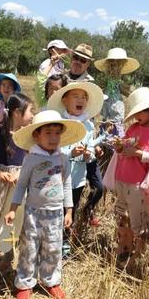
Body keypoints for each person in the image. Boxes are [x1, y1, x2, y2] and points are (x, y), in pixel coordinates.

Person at [6, 110, 86, 299]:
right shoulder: (31, 158)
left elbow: (67, 184)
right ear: (36, 135)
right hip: (33, 213)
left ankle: (51, 281)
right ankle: (25, 284)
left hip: (56, 213)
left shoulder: (63, 158)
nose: (53, 137)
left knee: (53, 248)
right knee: (29, 248)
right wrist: (13, 208)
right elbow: (22, 185)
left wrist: (69, 210)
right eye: (48, 133)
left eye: (57, 133)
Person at [104, 87, 149, 263]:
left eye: (141, 112)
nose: (137, 116)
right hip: (123, 179)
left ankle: (138, 256)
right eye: (136, 112)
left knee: (139, 222)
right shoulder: (132, 128)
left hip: (139, 184)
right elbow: (124, 147)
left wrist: (138, 153)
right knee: (122, 217)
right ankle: (124, 248)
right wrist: (119, 147)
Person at [0, 93, 34, 277]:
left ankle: (17, 262)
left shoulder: (27, 134)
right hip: (0, 182)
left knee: (17, 220)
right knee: (1, 218)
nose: (33, 115)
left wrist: (19, 173)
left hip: (19, 183)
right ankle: (7, 258)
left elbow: (30, 157)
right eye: (30, 111)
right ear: (17, 113)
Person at [47, 81, 104, 255]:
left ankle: (64, 242)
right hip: (58, 177)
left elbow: (91, 149)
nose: (81, 100)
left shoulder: (88, 126)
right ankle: (50, 241)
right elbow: (53, 149)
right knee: (56, 208)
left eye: (84, 97)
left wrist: (89, 155)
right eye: (76, 96)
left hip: (78, 178)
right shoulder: (59, 123)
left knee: (71, 210)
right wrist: (70, 153)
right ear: (64, 100)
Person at [94, 48, 139, 138]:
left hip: (117, 115)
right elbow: (98, 90)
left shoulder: (121, 83)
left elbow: (129, 93)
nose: (114, 67)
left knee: (116, 133)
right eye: (112, 65)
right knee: (105, 130)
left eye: (117, 65)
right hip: (106, 113)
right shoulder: (105, 81)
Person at [35, 40, 70, 107]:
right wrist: (51, 64)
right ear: (51, 50)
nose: (62, 52)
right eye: (59, 49)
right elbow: (41, 82)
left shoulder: (61, 63)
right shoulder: (46, 64)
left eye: (63, 50)